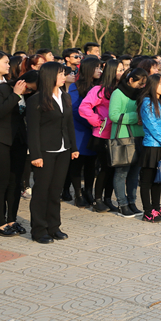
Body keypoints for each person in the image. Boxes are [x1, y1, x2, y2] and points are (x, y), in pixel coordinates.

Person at [26, 62, 79, 243]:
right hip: (45, 151)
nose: (64, 77)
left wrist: (73, 147)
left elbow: (69, 124)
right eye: (61, 73)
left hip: (64, 149)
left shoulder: (65, 96)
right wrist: (35, 155)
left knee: (56, 190)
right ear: (49, 76)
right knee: (42, 191)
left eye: (64, 73)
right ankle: (39, 230)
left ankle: (54, 227)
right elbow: (33, 130)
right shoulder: (36, 100)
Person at [0, 53, 32, 236]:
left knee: (15, 183)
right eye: (5, 62)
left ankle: (11, 220)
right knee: (0, 183)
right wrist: (15, 95)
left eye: (9, 62)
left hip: (18, 140)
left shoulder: (12, 84)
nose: (9, 65)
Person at [78, 59, 124, 213]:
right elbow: (84, 107)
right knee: (105, 168)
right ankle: (98, 199)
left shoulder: (121, 89)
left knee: (113, 168)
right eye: (119, 70)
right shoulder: (99, 89)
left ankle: (107, 198)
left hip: (118, 134)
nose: (122, 73)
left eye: (123, 69)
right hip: (102, 135)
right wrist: (97, 121)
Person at [109, 67, 148, 216]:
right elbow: (113, 115)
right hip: (123, 138)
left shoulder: (141, 94)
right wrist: (136, 117)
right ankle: (122, 204)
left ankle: (132, 202)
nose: (141, 86)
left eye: (143, 84)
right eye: (139, 83)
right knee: (121, 173)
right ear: (130, 80)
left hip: (140, 136)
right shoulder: (118, 93)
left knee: (134, 173)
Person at [137, 74, 161, 222]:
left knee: (159, 180)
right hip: (152, 146)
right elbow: (152, 126)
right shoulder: (147, 103)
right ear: (152, 85)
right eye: (160, 84)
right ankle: (147, 212)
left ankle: (156, 208)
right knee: (147, 181)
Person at [67, 57, 101, 208]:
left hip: (95, 129)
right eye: (96, 68)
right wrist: (91, 123)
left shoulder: (99, 86)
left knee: (91, 164)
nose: (99, 71)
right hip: (80, 129)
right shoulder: (75, 86)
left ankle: (88, 191)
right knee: (77, 162)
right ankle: (78, 194)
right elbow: (75, 110)